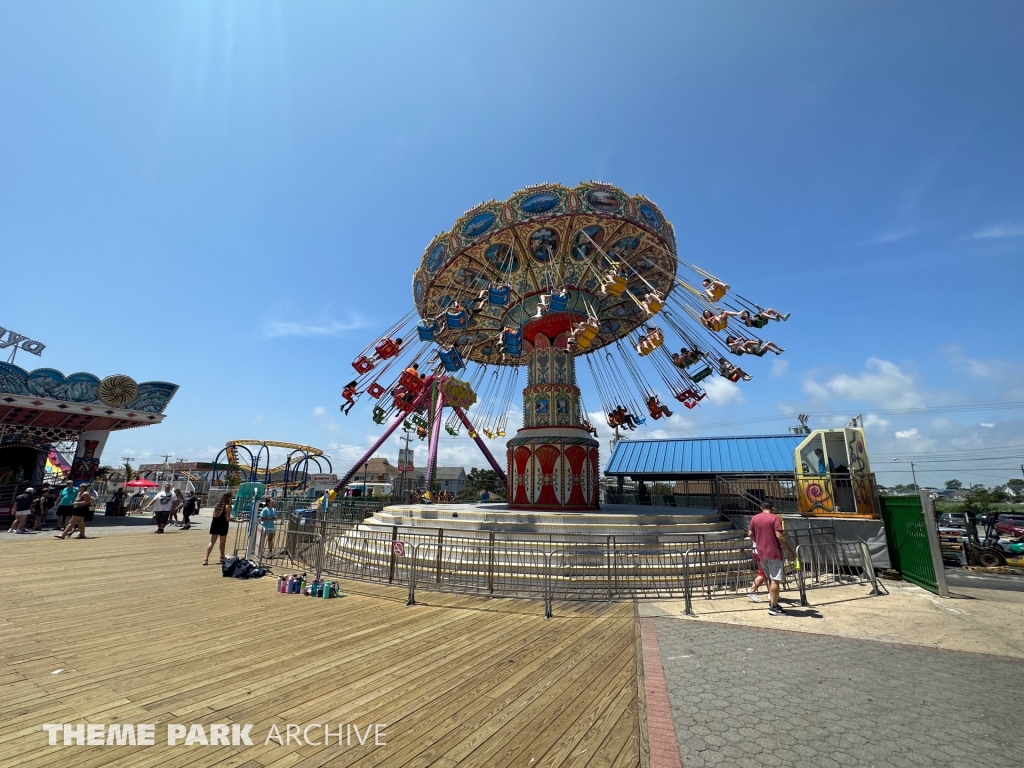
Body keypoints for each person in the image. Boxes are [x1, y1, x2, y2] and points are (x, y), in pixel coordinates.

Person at [747, 501, 796, 616]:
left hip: (761, 552)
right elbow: (779, 535)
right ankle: (773, 606)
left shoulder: (755, 518)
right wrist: (790, 551)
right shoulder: (774, 518)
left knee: (768, 578)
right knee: (775, 580)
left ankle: (772, 603)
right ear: (772, 508)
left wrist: (758, 542)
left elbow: (750, 533)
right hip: (773, 552)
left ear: (761, 507)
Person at [203, 492, 236, 566]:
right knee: (222, 542)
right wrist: (238, 521)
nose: (232, 498)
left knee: (212, 542)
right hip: (223, 525)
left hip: (215, 524)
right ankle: (222, 557)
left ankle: (206, 559)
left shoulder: (218, 505)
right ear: (228, 498)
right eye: (231, 497)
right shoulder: (228, 506)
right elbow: (228, 518)